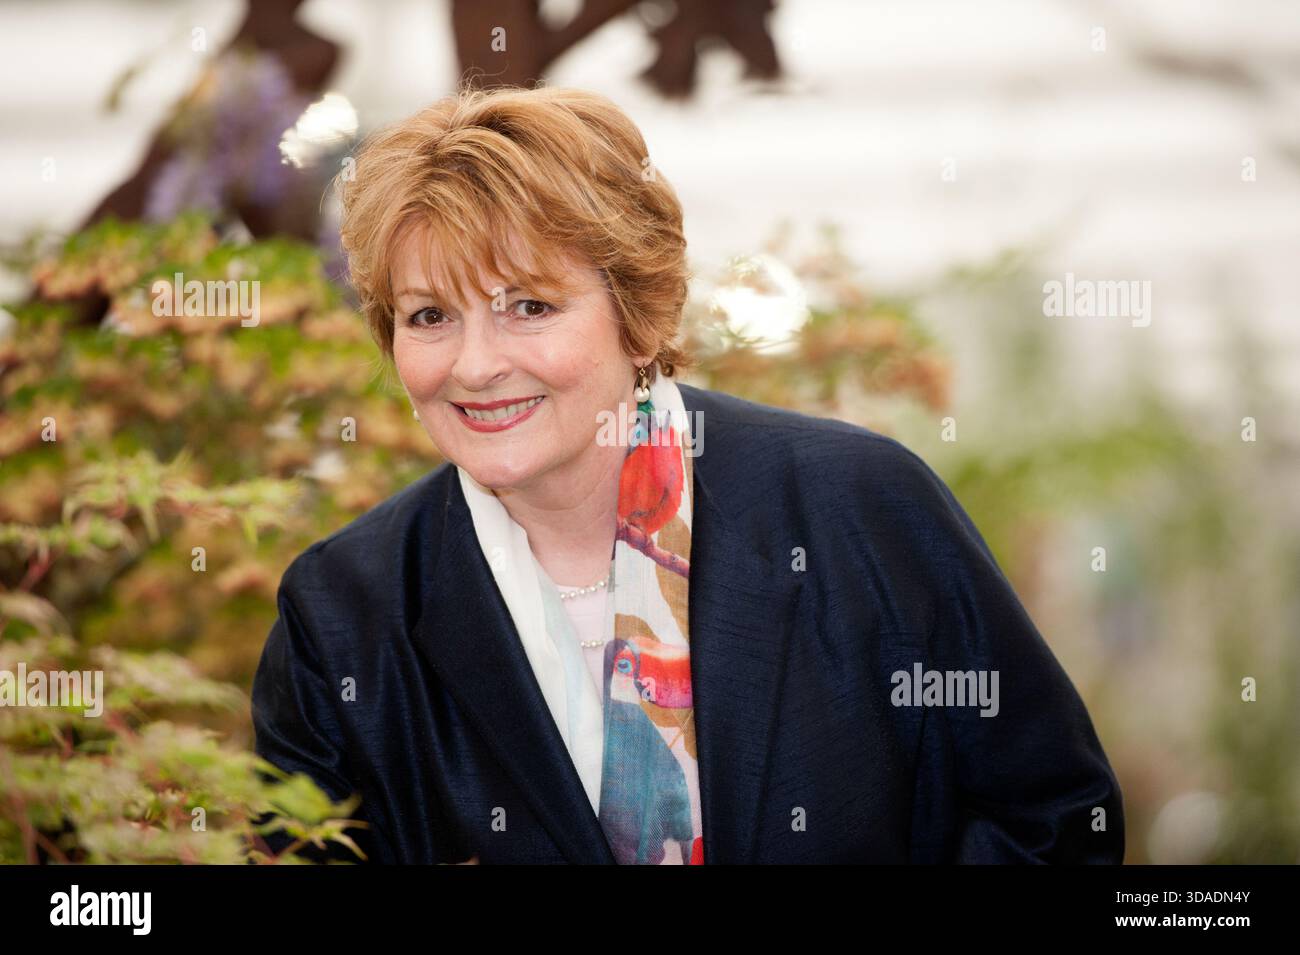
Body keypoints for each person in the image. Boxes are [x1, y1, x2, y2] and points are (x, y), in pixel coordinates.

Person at [251, 84, 1124, 864]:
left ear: (639, 312)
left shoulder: (860, 508)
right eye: (430, 315)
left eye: (529, 306)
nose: (475, 364)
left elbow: (1056, 820)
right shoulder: (342, 616)